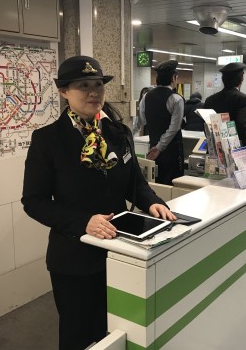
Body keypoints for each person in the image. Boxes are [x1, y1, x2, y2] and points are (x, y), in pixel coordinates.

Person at [21, 55, 176, 350]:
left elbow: (136, 183)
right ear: (64, 91)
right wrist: (84, 222)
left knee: (118, 330)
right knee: (78, 334)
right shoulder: (48, 140)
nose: (94, 92)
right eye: (83, 85)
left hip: (120, 251)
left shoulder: (118, 133)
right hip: (74, 258)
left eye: (98, 85)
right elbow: (34, 201)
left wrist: (153, 203)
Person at [139, 60, 185, 185]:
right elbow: (174, 128)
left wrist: (156, 145)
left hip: (152, 146)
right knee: (173, 183)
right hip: (171, 150)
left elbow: (142, 120)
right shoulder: (176, 99)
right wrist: (160, 147)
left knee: (155, 180)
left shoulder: (146, 96)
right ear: (173, 78)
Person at [204, 62, 246, 147]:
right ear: (241, 79)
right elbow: (242, 128)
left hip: (215, 148)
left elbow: (206, 127)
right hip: (236, 149)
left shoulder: (209, 100)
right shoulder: (244, 99)